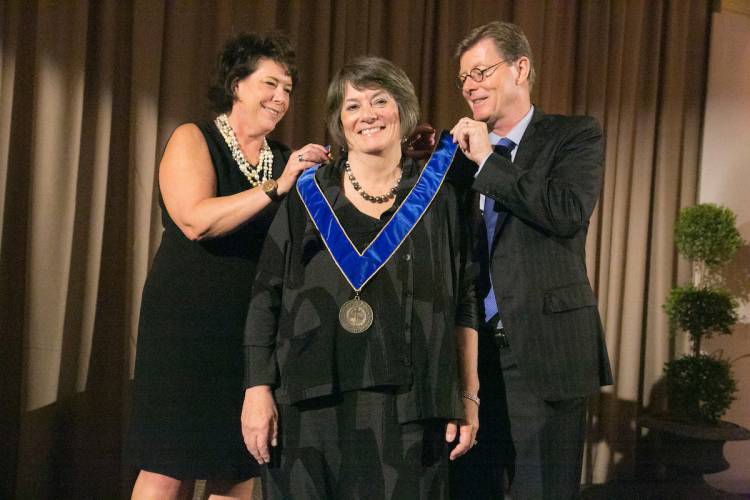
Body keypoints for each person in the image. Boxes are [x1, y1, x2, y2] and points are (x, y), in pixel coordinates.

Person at [240, 56, 480, 499]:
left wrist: (468, 394)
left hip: (411, 407)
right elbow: (264, 296)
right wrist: (257, 389)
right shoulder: (307, 193)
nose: (367, 114)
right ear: (338, 120)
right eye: (352, 106)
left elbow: (466, 297)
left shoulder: (440, 197)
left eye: (380, 100)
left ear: (403, 111)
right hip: (310, 404)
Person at [125, 32, 330, 499]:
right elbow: (196, 220)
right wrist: (277, 186)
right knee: (167, 465)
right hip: (185, 327)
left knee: (238, 466)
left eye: (288, 90)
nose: (281, 98)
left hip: (252, 331)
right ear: (236, 84)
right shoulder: (193, 137)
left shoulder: (283, 159)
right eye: (270, 84)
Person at [448, 21, 613, 499]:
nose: (471, 86)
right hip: (472, 357)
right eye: (463, 79)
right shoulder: (458, 151)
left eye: (481, 71)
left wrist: (488, 162)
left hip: (545, 353)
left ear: (521, 68)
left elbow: (565, 211)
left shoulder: (573, 135)